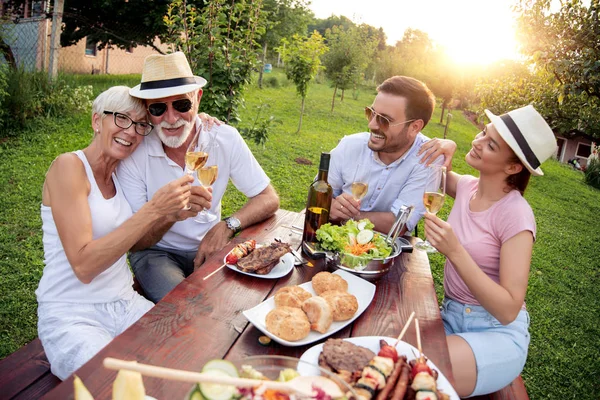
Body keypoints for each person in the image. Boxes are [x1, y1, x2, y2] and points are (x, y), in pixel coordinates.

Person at [36, 86, 193, 380]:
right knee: (117, 384)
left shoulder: (120, 172)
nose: (131, 132)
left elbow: (175, 124)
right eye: (121, 119)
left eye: (140, 125)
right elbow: (84, 266)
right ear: (97, 121)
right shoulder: (68, 167)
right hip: (72, 314)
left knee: (187, 351)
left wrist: (173, 214)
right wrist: (154, 209)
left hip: (125, 304)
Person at [119, 52, 280, 303]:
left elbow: (268, 197)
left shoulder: (223, 138)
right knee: (188, 309)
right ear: (147, 110)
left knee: (241, 302)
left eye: (182, 105)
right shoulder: (134, 151)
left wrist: (227, 226)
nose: (171, 119)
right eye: (159, 108)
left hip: (210, 245)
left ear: (198, 98)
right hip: (157, 252)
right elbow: (137, 242)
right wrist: (171, 214)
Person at [420, 105, 556, 397]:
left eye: (491, 144)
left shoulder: (516, 215)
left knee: (420, 373)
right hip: (451, 318)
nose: (477, 141)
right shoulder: (468, 187)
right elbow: (437, 171)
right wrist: (449, 145)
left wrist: (455, 251)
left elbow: (508, 309)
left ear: (513, 167)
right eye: (483, 132)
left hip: (496, 332)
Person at [327, 76, 443, 235]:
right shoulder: (350, 146)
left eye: (384, 120)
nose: (371, 125)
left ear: (415, 127)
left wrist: (349, 215)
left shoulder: (428, 159)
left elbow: (399, 223)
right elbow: (319, 194)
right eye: (371, 113)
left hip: (386, 253)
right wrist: (329, 205)